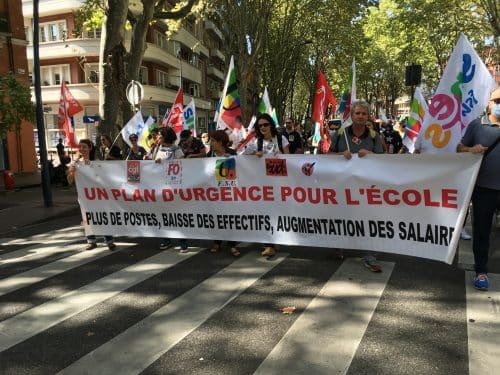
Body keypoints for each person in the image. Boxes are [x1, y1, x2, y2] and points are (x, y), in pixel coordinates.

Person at [328, 100, 385, 272]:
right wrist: (340, 154)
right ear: (351, 116)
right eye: (357, 113)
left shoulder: (375, 136)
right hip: (343, 186)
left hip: (367, 188)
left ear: (368, 116)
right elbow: (328, 156)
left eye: (363, 114)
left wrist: (370, 154)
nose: (360, 116)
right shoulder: (340, 133)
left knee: (369, 219)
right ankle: (338, 246)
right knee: (342, 215)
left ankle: (370, 256)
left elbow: (384, 161)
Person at [456, 86, 500, 291]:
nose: (499, 105)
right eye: (497, 101)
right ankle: (481, 270)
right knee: (482, 232)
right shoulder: (477, 125)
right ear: (489, 103)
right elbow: (459, 148)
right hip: (483, 190)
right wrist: (470, 149)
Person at [241, 113, 289, 257]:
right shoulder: (256, 142)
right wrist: (254, 155)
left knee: (277, 212)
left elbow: (290, 158)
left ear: (271, 125)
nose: (263, 127)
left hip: (280, 182)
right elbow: (242, 157)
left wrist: (281, 155)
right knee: (265, 212)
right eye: (260, 125)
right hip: (263, 185)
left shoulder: (281, 139)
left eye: (265, 124)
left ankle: (275, 240)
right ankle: (268, 244)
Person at [67, 139, 116, 251]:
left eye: (84, 147)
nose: (82, 149)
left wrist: (93, 168)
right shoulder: (76, 163)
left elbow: (103, 176)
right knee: (87, 218)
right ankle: (91, 241)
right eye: (80, 147)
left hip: (97, 195)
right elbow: (70, 181)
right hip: (84, 196)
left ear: (90, 148)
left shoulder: (96, 161)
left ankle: (109, 240)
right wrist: (72, 172)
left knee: (101, 216)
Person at [206, 130, 240, 257]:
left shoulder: (232, 153)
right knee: (217, 216)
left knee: (229, 217)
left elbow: (241, 168)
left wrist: (232, 160)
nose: (211, 143)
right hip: (214, 192)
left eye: (213, 141)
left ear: (220, 142)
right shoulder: (210, 155)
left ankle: (232, 244)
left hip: (229, 191)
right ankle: (217, 242)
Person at [155, 127, 189, 252]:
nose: (157, 137)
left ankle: (182, 241)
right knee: (164, 214)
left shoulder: (177, 150)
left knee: (177, 214)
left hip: (174, 187)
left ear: (166, 136)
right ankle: (166, 238)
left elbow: (182, 165)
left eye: (159, 135)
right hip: (161, 186)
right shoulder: (157, 149)